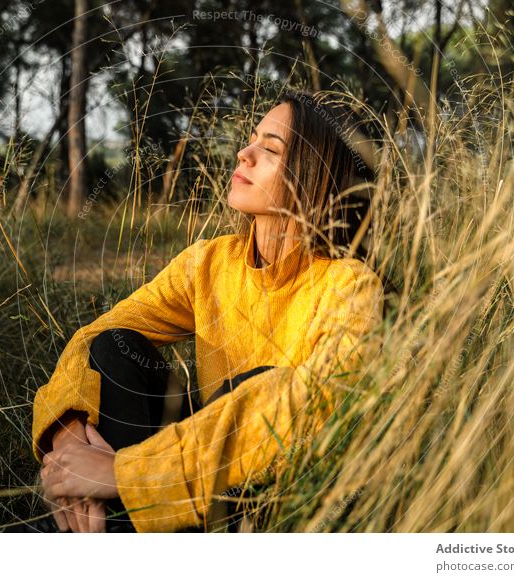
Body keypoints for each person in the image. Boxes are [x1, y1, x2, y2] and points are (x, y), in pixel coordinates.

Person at [32, 89, 385, 533]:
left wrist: (121, 474)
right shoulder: (209, 263)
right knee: (114, 347)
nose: (244, 152)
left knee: (259, 385)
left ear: (314, 176)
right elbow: (93, 337)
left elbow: (318, 404)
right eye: (252, 138)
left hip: (261, 499)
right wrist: (69, 436)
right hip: (181, 478)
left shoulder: (349, 284)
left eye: (270, 149)